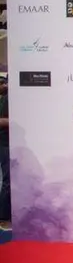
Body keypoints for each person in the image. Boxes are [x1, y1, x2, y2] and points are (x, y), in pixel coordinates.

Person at [0, 73, 9, 231]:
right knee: (8, 180)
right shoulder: (6, 99)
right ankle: (4, 217)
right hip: (5, 143)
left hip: (9, 143)